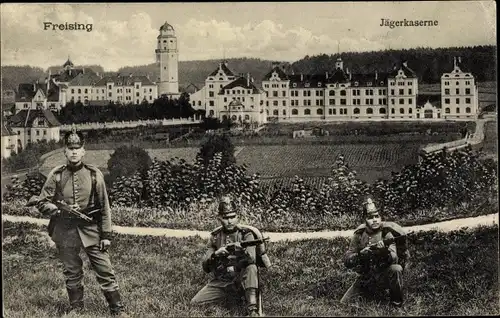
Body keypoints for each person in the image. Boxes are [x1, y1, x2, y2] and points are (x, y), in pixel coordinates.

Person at [32, 125, 126, 316]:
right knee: (72, 271)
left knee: (105, 269)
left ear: (83, 151)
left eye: (77, 149)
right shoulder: (56, 175)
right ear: (65, 151)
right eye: (70, 149)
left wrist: (106, 234)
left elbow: (105, 207)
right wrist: (56, 208)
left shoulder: (94, 174)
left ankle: (117, 310)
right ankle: (77, 310)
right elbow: (42, 202)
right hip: (65, 230)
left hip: (91, 228)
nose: (74, 152)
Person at [191, 196, 270, 317]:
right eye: (226, 218)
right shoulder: (215, 237)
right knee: (196, 302)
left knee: (251, 268)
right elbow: (205, 266)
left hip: (241, 279)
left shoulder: (246, 234)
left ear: (238, 217)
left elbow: (252, 260)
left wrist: (240, 251)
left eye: (233, 217)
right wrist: (216, 254)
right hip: (222, 281)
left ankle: (252, 309)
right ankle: (232, 299)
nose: (230, 221)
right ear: (219, 218)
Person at [340, 198, 405, 307]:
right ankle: (370, 292)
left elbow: (394, 259)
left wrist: (384, 252)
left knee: (396, 269)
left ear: (381, 218)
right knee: (345, 304)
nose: (374, 220)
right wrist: (360, 255)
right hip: (366, 278)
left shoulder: (386, 234)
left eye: (377, 216)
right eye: (370, 218)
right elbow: (347, 260)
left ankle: (396, 303)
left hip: (383, 276)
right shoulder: (359, 235)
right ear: (364, 219)